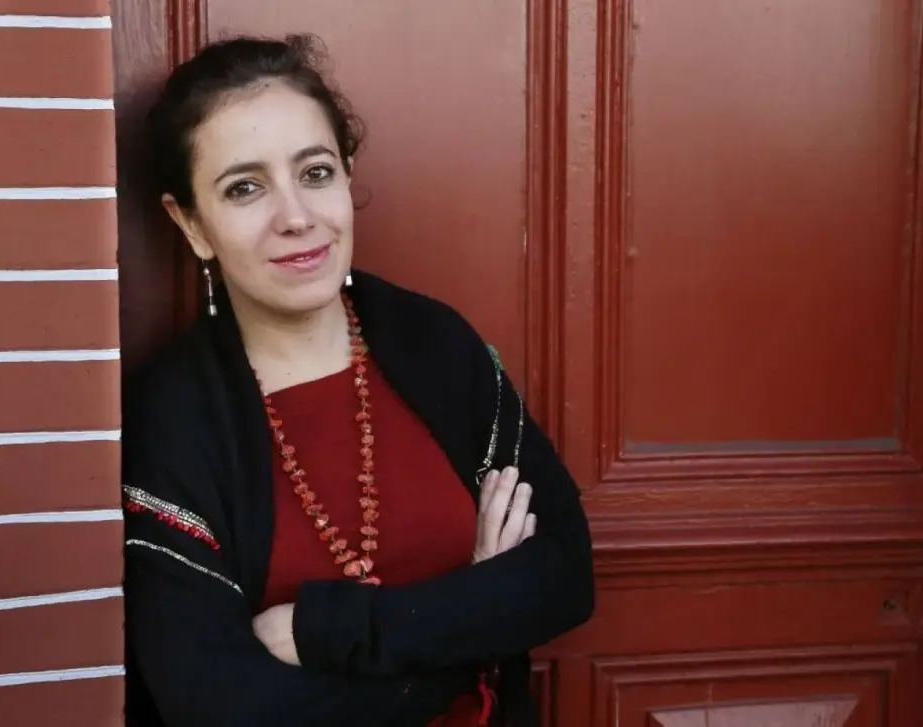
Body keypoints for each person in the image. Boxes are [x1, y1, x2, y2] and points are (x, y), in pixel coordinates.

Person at [121, 33, 595, 727]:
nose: (296, 217)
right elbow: (220, 704)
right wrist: (476, 621)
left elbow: (564, 574)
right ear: (190, 223)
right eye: (245, 188)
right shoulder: (174, 417)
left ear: (346, 177)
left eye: (315, 173)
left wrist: (326, 630)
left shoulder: (433, 344)